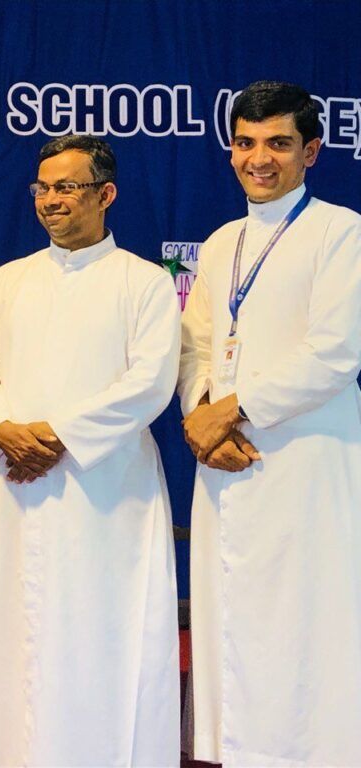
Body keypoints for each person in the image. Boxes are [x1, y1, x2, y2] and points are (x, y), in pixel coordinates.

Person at [0, 134, 181, 766]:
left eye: (67, 187)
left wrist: (57, 437)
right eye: (43, 188)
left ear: (106, 194)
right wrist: (2, 429)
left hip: (103, 492)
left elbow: (150, 382)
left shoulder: (145, 283)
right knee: (12, 632)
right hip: (13, 485)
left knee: (99, 632)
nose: (50, 200)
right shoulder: (7, 281)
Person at [179, 80, 361, 766]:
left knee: (305, 626)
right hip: (226, 464)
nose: (260, 159)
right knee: (235, 621)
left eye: (279, 143)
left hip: (305, 462)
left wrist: (232, 411)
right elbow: (195, 346)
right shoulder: (221, 242)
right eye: (246, 143)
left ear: (310, 151)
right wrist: (201, 416)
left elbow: (336, 350)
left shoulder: (341, 232)